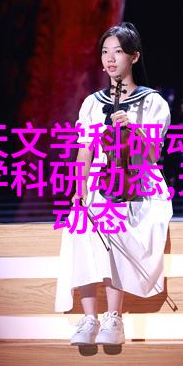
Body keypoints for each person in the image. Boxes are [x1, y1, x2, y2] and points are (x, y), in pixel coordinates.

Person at [54, 22, 173, 346]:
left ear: (134, 57)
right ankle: (89, 318)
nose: (110, 59)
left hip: (139, 183)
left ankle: (114, 317)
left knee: (113, 224)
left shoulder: (153, 103)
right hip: (100, 180)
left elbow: (152, 154)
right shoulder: (92, 103)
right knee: (80, 228)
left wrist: (133, 128)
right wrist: (79, 190)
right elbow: (85, 151)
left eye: (118, 52)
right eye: (105, 52)